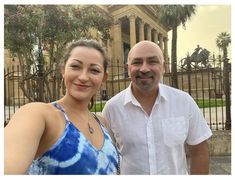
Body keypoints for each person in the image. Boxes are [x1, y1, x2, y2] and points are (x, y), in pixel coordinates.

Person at [4, 39, 120, 175]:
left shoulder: (102, 123)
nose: (83, 77)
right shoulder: (38, 115)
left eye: (94, 70)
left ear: (104, 79)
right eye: (75, 66)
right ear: (63, 70)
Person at [102, 40, 212, 175]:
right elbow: (106, 157)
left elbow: (199, 151)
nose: (144, 68)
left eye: (152, 61)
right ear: (128, 68)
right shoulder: (112, 108)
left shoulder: (184, 102)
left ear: (163, 67)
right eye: (137, 62)